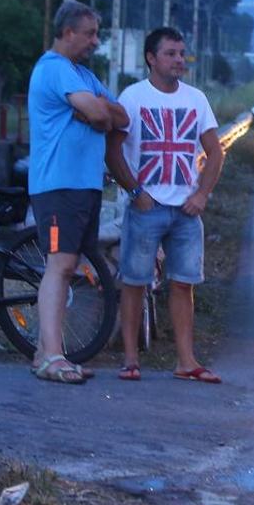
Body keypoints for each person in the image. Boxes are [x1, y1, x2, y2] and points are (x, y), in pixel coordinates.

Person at [106, 26, 225, 384]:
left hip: (186, 210)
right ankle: (130, 360)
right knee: (134, 282)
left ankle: (186, 361)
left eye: (181, 53)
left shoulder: (196, 99)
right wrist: (136, 192)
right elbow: (113, 151)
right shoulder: (132, 97)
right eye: (171, 53)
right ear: (151, 58)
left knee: (183, 283)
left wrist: (201, 194)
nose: (178, 60)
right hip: (147, 206)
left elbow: (215, 152)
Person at [27, 1, 128, 384]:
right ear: (68, 32)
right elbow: (104, 117)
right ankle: (52, 356)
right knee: (61, 265)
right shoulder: (54, 69)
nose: (95, 41)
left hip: (83, 185)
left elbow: (121, 116)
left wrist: (91, 110)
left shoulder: (82, 75)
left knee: (69, 267)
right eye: (90, 34)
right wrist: (96, 112)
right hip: (59, 185)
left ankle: (44, 352)